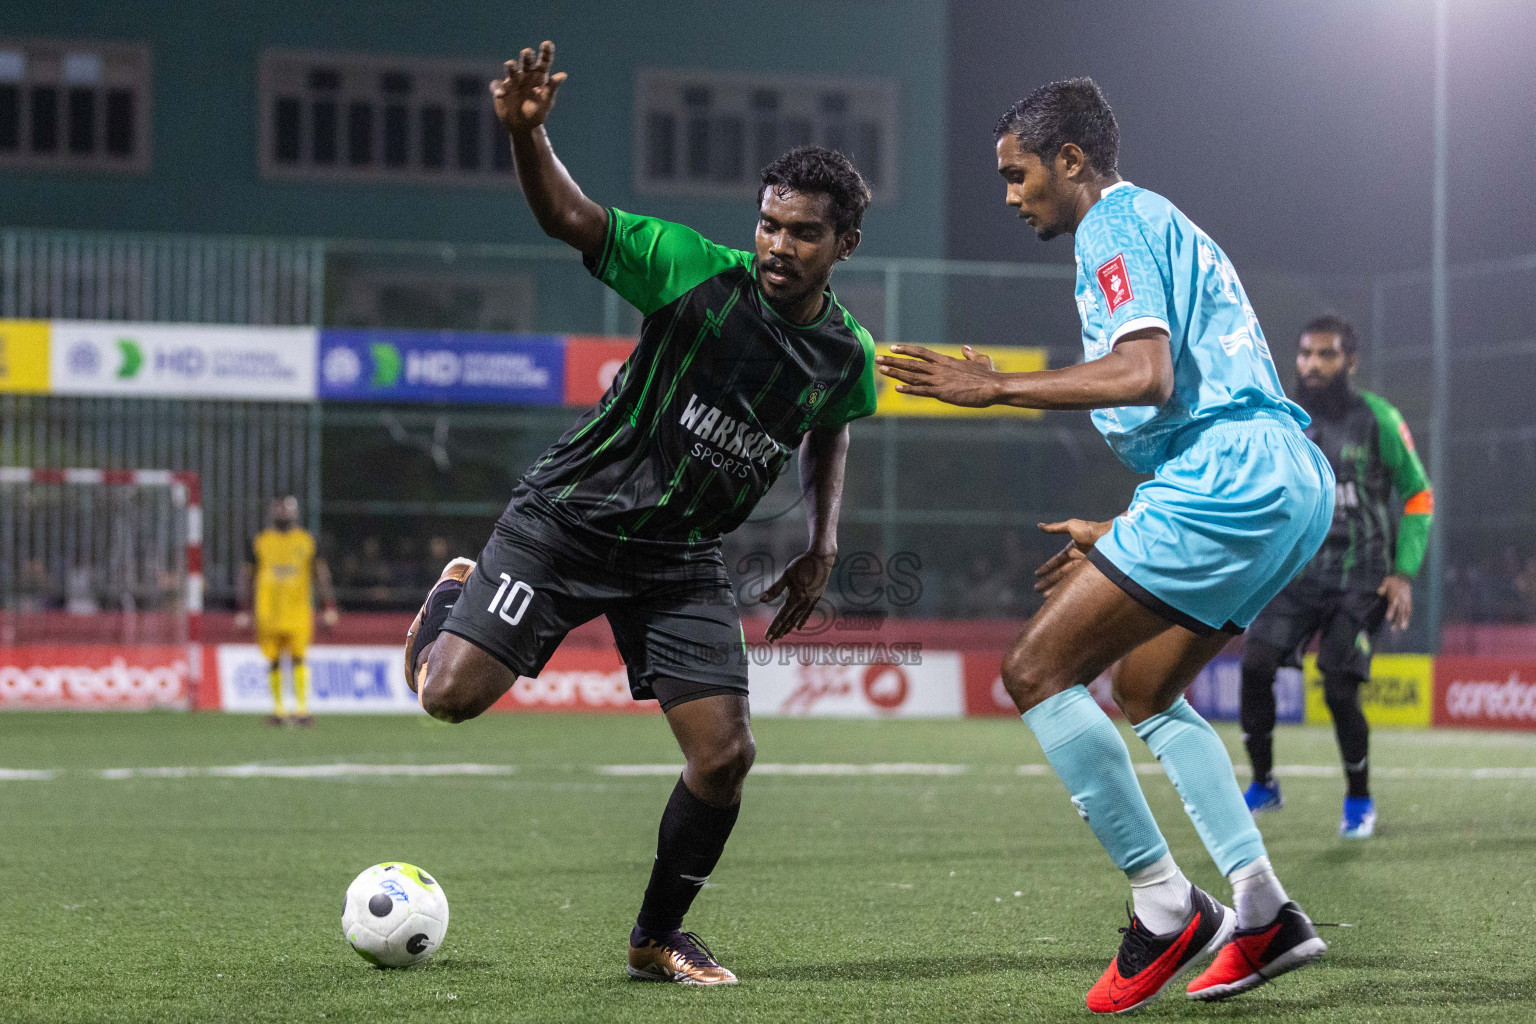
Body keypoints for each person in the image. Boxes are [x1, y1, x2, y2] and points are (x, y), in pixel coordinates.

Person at [402, 41, 878, 986]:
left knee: (726, 755)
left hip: (681, 558)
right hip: (566, 522)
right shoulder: (691, 270)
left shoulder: (847, 352)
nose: (778, 244)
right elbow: (572, 219)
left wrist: (823, 543)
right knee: (446, 701)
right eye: (769, 224)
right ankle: (453, 605)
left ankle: (656, 935)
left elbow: (834, 430)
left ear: (844, 245)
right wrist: (528, 136)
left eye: (802, 233)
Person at [877, 78, 1333, 1012]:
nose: (1010, 196)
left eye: (1018, 174)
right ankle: (1262, 908)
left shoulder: (1112, 225)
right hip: (1282, 478)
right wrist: (1128, 526)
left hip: (1230, 477)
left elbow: (1145, 374)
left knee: (1036, 670)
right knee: (1144, 689)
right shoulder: (1160, 225)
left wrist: (996, 387)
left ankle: (1166, 904)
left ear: (1071, 162)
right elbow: (1195, 396)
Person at [1240, 315, 1433, 838]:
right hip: (1300, 575)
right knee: (1255, 663)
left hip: (1363, 577)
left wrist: (1404, 573)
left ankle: (1359, 799)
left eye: (1326, 355)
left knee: (1339, 683)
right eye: (1305, 354)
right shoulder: (1285, 418)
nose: (1312, 364)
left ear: (1350, 361)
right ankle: (1263, 784)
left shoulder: (1379, 419)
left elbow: (1418, 494)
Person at [236, 496, 338, 726]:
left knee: (299, 657)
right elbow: (246, 575)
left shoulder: (307, 541)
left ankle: (302, 709)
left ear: (296, 512)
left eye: (287, 509)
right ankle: (279, 710)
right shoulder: (260, 541)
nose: (283, 513)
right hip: (267, 611)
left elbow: (321, 574)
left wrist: (328, 606)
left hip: (298, 610)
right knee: (272, 659)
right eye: (279, 508)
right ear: (273, 511)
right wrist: (243, 608)